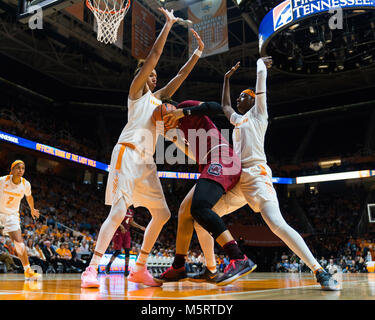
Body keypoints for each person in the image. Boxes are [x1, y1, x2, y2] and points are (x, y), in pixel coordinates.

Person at [184, 57, 340, 290]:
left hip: (257, 177)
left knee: (277, 225)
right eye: (239, 96)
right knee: (201, 217)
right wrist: (226, 79)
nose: (239, 98)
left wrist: (259, 65)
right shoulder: (238, 120)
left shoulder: (259, 114)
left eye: (243, 95)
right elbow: (225, 107)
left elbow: (260, 87)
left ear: (253, 99)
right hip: (237, 179)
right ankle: (211, 269)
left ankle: (319, 270)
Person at [80, 7, 204, 288]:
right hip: (127, 153)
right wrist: (169, 24)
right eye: (151, 75)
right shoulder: (136, 93)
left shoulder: (158, 105)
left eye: (156, 76)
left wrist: (197, 53)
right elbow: (154, 57)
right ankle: (91, 269)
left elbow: (178, 79)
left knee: (163, 214)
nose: (155, 77)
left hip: (147, 163)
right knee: (118, 212)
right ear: (141, 75)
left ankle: (140, 267)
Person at [158, 99, 256, 286]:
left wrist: (183, 112)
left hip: (222, 158)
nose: (162, 119)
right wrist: (172, 138)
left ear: (170, 107)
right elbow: (193, 153)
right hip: (210, 163)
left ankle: (238, 257)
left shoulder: (185, 107)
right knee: (184, 211)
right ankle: (179, 267)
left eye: (162, 114)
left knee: (200, 207)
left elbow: (216, 107)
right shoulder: (179, 130)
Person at [0, 160, 41, 279]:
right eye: (18, 168)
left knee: (19, 242)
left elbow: (29, 197)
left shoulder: (25, 184)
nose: (20, 170)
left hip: (12, 215)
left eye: (22, 168)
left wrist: (33, 209)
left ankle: (27, 270)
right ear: (11, 170)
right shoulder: (2, 181)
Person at [105, 206, 145, 276]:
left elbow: (131, 222)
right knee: (117, 251)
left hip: (127, 232)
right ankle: (108, 266)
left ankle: (126, 270)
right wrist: (121, 226)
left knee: (127, 251)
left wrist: (140, 227)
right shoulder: (120, 209)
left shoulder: (131, 211)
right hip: (118, 232)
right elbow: (114, 219)